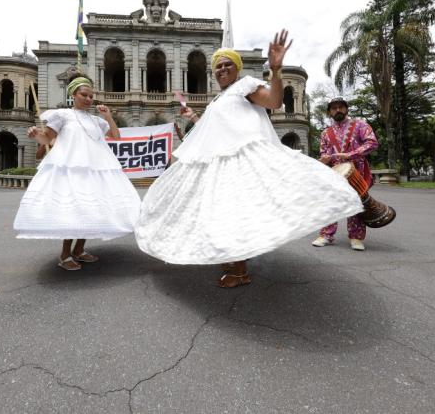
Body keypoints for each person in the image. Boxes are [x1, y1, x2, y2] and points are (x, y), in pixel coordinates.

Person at [134, 30, 363, 288]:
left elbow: (274, 101)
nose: (222, 69)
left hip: (240, 159)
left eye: (227, 64)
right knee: (223, 212)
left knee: (235, 211)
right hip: (219, 162)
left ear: (237, 68)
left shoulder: (245, 86)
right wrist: (195, 118)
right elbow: (216, 129)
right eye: (218, 66)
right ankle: (234, 259)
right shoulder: (218, 99)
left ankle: (239, 270)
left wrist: (275, 71)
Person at [13, 73, 141, 270]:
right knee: (75, 212)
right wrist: (36, 134)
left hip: (96, 170)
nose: (88, 99)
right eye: (84, 95)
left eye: (91, 96)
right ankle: (65, 255)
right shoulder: (62, 115)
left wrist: (108, 116)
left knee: (91, 211)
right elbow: (47, 139)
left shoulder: (97, 121)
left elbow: (116, 136)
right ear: (73, 94)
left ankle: (79, 250)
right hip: (72, 170)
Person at [312, 97, 379, 251]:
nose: (338, 110)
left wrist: (351, 154)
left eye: (341, 107)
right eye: (334, 108)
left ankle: (356, 237)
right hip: (335, 172)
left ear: (346, 109)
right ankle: (326, 235)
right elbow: (324, 152)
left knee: (356, 202)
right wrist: (324, 159)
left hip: (357, 171)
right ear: (329, 112)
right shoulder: (326, 133)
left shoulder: (360, 125)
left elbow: (372, 142)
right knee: (330, 202)